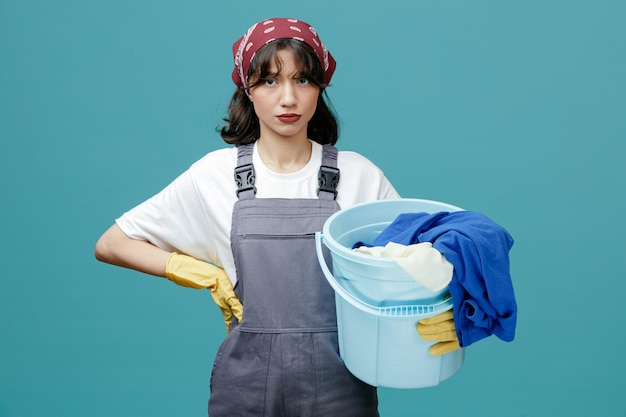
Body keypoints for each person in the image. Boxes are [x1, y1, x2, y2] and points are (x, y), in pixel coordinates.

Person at [95, 17, 458, 416]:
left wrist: (448, 307)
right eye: (270, 81)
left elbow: (419, 261)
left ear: (320, 87)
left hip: (341, 386)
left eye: (303, 80)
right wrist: (191, 269)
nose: (288, 98)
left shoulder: (359, 176)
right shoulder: (215, 175)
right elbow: (112, 244)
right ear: (247, 89)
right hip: (245, 386)